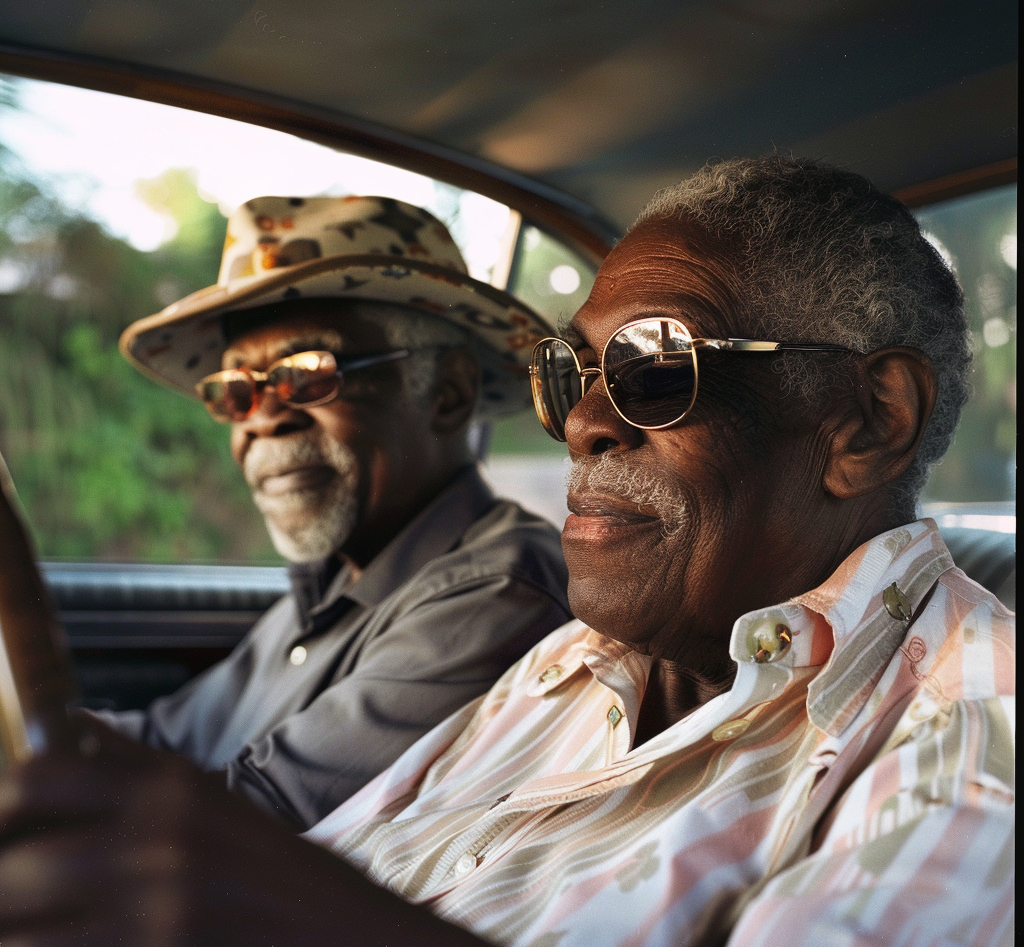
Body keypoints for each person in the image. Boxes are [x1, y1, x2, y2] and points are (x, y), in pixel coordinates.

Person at [0, 158, 1013, 946]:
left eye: (655, 366)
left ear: (865, 421)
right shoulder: (567, 665)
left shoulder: (975, 739)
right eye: (571, 373)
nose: (581, 423)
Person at [98, 194, 571, 829]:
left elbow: (245, 825)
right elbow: (162, 739)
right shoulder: (330, 585)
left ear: (447, 394)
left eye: (307, 372)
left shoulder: (495, 593)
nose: (263, 418)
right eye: (235, 390)